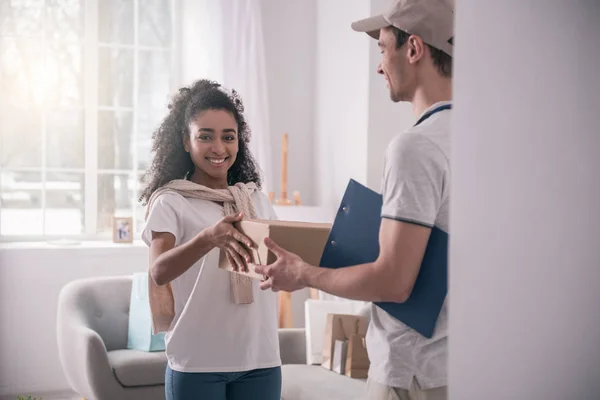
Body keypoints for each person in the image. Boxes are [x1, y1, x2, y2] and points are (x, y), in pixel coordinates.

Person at [254, 0, 453, 399]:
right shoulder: (490, 140)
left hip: (409, 374)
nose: (379, 66)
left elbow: (395, 282)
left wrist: (303, 273)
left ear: (413, 49)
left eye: (383, 49)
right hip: (460, 365)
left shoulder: (414, 148)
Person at [139, 79, 281, 400]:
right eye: (205, 136)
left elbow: (274, 263)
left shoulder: (255, 199)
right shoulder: (171, 201)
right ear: (186, 142)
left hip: (260, 357)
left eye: (228, 137)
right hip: (197, 361)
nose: (219, 147)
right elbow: (159, 272)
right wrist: (209, 238)